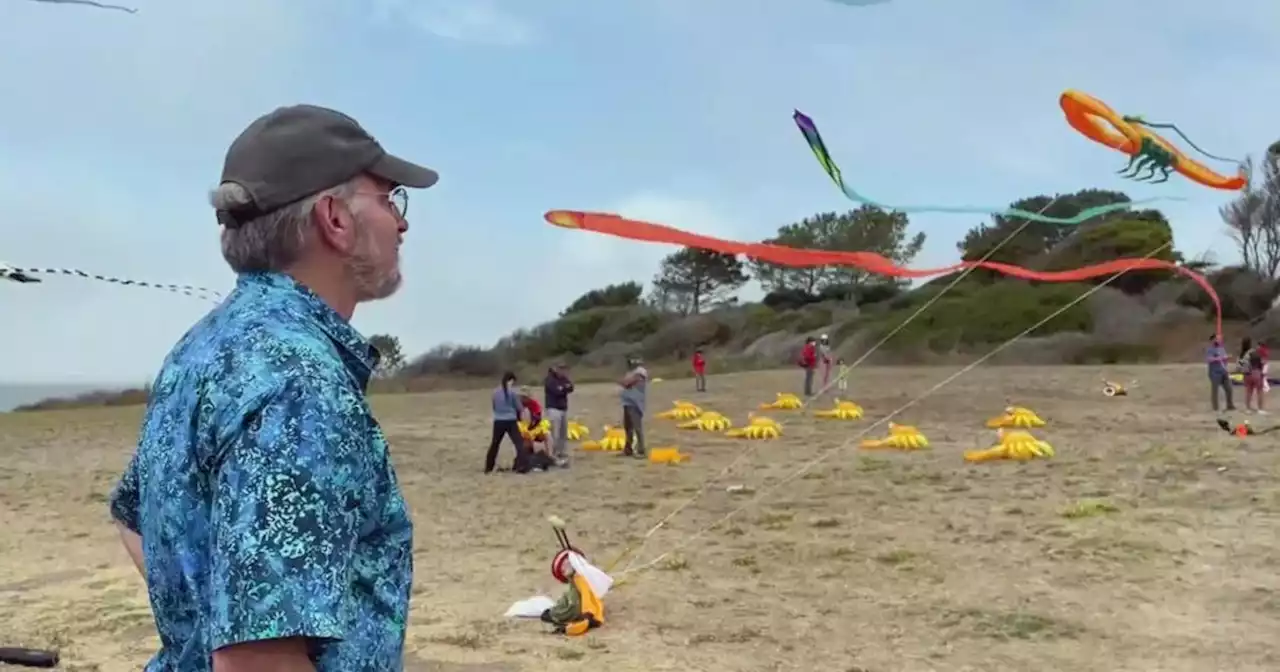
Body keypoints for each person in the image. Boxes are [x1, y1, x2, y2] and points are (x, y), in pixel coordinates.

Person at [106, 104, 438, 671]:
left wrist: (202, 629)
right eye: (388, 200)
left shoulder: (203, 346)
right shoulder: (299, 383)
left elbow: (132, 515)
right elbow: (257, 659)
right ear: (334, 219)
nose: (401, 223)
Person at [488, 372, 533, 473]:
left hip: (498, 420)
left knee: (495, 444)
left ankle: (489, 467)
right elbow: (519, 407)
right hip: (510, 420)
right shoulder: (512, 393)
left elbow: (494, 406)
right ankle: (522, 466)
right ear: (511, 380)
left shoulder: (495, 392)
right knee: (519, 443)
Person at [544, 363, 574, 468]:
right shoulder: (550, 379)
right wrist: (564, 388)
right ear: (555, 369)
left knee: (563, 432)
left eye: (564, 369)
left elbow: (571, 387)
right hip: (553, 409)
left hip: (563, 408)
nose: (563, 371)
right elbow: (556, 391)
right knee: (554, 433)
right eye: (561, 369)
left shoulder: (564, 378)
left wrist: (564, 388)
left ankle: (561, 451)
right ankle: (553, 453)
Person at [620, 355, 648, 459]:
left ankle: (641, 450)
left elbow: (626, 383)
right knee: (628, 428)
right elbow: (624, 382)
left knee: (637, 427)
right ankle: (628, 449)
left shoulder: (640, 372)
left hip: (635, 403)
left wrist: (625, 381)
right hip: (627, 402)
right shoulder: (631, 372)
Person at [1207, 334, 1234, 413]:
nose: (1218, 340)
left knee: (1229, 389)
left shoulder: (1222, 349)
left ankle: (1230, 405)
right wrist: (1218, 359)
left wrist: (1227, 358)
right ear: (1212, 340)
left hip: (1223, 371)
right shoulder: (1210, 350)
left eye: (1219, 339)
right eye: (1217, 339)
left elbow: (1224, 359)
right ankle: (1215, 408)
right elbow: (1209, 359)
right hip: (1214, 373)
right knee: (1215, 390)